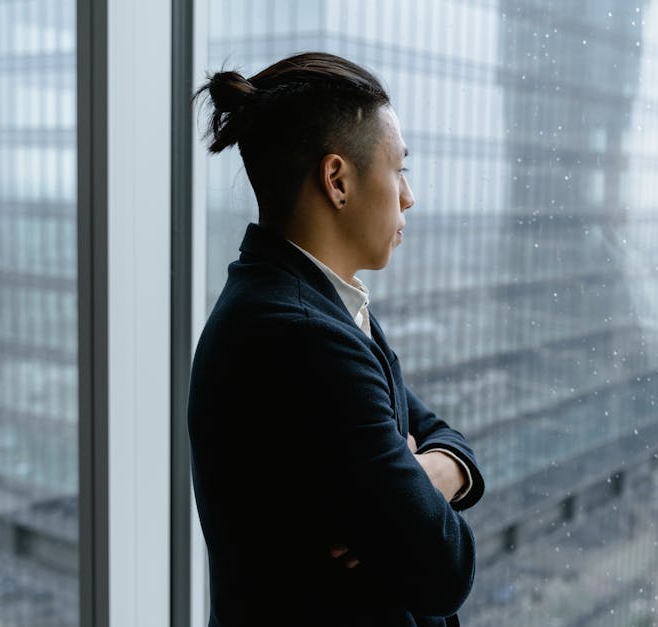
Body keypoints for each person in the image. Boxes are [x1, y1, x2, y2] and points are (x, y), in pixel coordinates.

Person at [187, 51, 485, 627]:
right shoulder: (301, 337)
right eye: (398, 169)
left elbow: (442, 436)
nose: (408, 197)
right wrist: (411, 506)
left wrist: (427, 477)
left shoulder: (314, 305)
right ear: (338, 180)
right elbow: (447, 569)